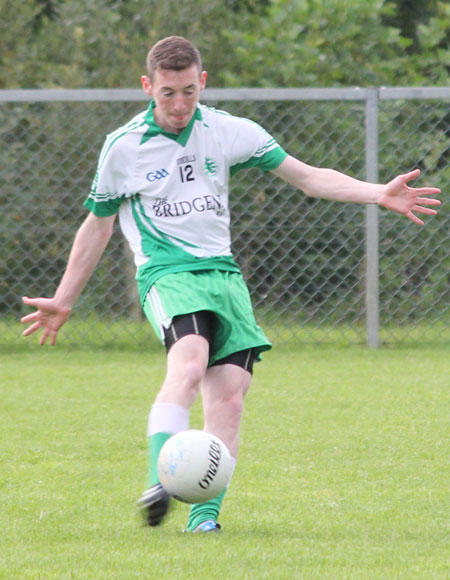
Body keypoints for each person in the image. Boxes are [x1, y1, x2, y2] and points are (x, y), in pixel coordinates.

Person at [21, 36, 441, 533]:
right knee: (191, 359)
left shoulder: (228, 131)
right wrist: (65, 298)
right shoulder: (124, 147)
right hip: (167, 272)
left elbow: (307, 178)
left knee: (229, 398)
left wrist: (377, 193)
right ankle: (160, 478)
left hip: (224, 274)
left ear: (202, 83)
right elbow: (98, 223)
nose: (178, 105)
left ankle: (203, 518)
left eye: (187, 92)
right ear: (147, 87)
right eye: (166, 93)